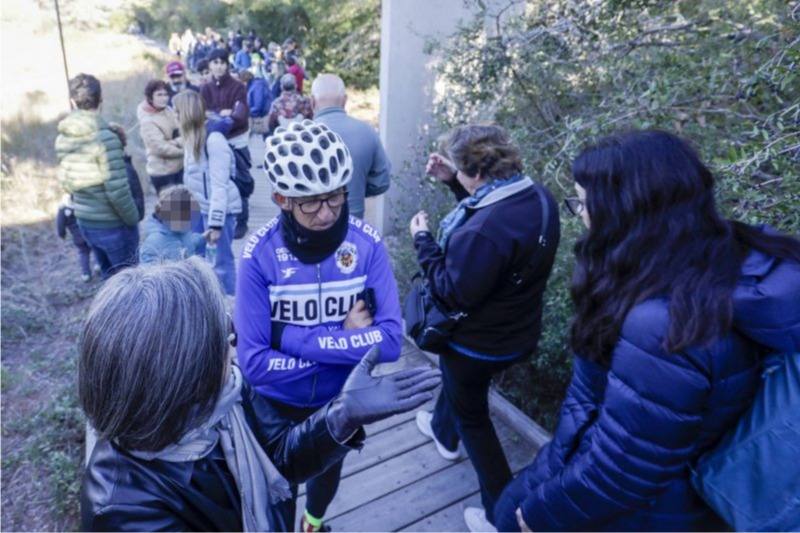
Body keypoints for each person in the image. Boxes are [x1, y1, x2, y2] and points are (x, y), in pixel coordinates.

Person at [493, 130, 800, 532]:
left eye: (584, 203)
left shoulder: (661, 324)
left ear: (626, 209)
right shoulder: (727, 257)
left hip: (646, 512)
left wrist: (538, 514)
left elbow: (623, 466)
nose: (581, 215)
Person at [80, 258, 440, 531]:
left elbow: (280, 457)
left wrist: (340, 417)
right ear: (181, 375)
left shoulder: (227, 394)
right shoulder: (121, 511)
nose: (234, 343)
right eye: (225, 333)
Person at [236, 119, 404, 532]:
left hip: (339, 398)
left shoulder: (367, 245)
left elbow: (393, 340)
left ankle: (313, 524)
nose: (327, 213)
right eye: (310, 203)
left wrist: (291, 337)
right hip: (274, 403)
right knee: (278, 488)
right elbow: (255, 364)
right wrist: (343, 342)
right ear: (281, 199)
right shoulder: (258, 257)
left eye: (335, 197)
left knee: (326, 473)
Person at [408, 124, 560, 532]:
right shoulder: (537, 198)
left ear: (475, 172)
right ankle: (443, 431)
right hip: (517, 332)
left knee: (474, 418)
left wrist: (422, 238)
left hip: (477, 345)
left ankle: (499, 514)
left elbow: (450, 287)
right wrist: (452, 183)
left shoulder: (484, 230)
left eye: (459, 169)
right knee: (462, 394)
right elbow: (491, 237)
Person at [55, 73, 140, 279]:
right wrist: (133, 219)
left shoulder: (63, 138)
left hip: (85, 222)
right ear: (101, 100)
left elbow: (65, 182)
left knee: (108, 279)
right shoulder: (105, 139)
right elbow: (117, 191)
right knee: (130, 283)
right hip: (113, 225)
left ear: (72, 102)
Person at [173, 90, 241, 295]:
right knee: (197, 259)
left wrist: (216, 224)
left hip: (218, 212)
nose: (174, 116)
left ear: (186, 113)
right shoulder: (192, 138)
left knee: (222, 263)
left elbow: (220, 186)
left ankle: (229, 305)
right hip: (199, 209)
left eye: (176, 112)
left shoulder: (214, 140)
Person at [311, 74, 391, 219]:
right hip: (353, 222)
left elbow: (279, 192)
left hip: (309, 225)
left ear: (312, 102)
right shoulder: (367, 132)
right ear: (345, 100)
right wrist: (357, 189)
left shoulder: (300, 136)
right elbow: (382, 183)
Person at [201, 48, 253, 240]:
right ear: (209, 65)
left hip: (236, 139)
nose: (219, 66)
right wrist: (221, 114)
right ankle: (217, 220)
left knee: (242, 180)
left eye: (222, 62)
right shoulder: (205, 88)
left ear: (227, 64)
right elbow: (204, 113)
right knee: (217, 181)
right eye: (215, 62)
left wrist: (225, 115)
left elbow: (240, 114)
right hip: (214, 139)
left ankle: (242, 221)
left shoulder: (238, 86)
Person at [137, 80, 184, 193]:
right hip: (163, 173)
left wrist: (176, 142)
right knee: (173, 209)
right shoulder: (147, 121)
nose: (164, 98)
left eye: (166, 94)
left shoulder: (168, 110)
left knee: (186, 208)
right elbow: (161, 148)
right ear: (150, 97)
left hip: (179, 168)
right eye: (159, 95)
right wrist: (185, 150)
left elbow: (184, 132)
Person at [139, 185, 205, 264]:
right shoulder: (153, 242)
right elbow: (147, 272)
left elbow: (188, 242)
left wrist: (202, 237)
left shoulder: (182, 230)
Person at [56, 198, 95, 282]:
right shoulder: (83, 201)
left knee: (83, 253)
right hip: (90, 231)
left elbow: (60, 226)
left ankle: (86, 274)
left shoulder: (63, 209)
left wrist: (62, 235)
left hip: (78, 237)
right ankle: (99, 265)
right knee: (96, 248)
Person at [239, 70, 272, 139]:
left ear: (244, 80)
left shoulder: (256, 86)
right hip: (264, 115)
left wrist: (247, 113)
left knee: (267, 137)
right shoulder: (255, 85)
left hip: (262, 116)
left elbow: (258, 105)